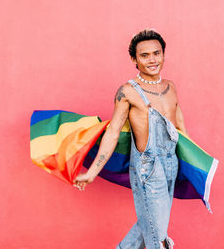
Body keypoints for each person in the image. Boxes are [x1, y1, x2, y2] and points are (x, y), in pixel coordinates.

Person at [73, 29, 188, 249]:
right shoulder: (128, 91)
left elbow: (181, 126)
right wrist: (92, 173)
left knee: (150, 224)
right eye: (145, 55)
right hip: (148, 168)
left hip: (171, 164)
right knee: (158, 235)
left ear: (163, 54)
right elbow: (113, 132)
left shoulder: (171, 87)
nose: (152, 59)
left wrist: (193, 165)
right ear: (134, 59)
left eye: (157, 53)